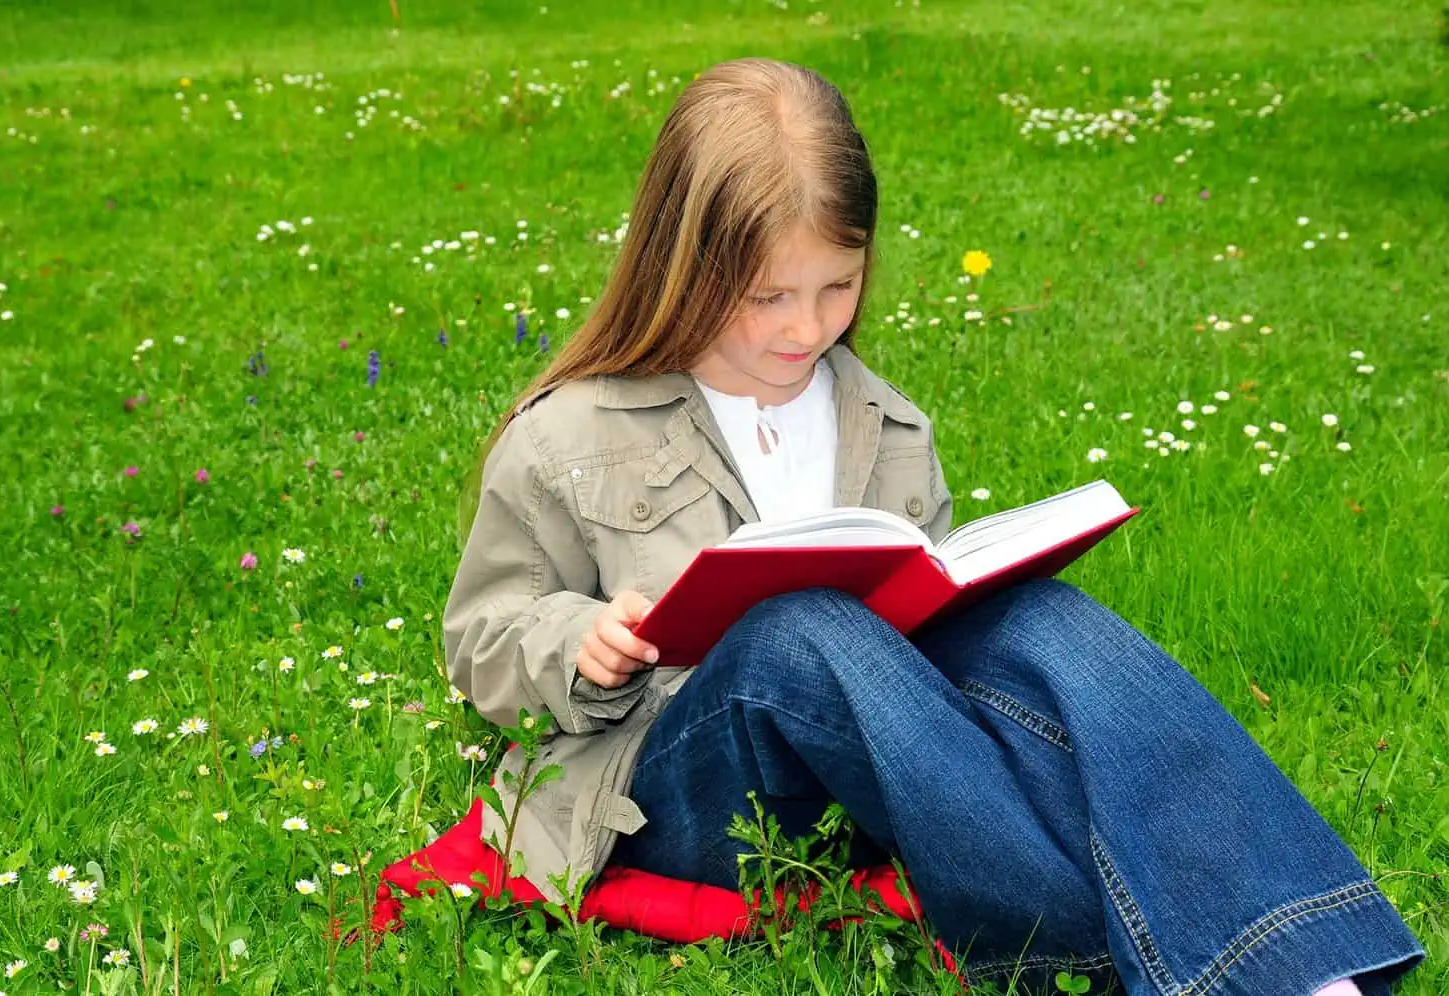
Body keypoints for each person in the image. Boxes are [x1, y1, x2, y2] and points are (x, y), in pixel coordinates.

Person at [442, 57, 1424, 994]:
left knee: (1036, 615)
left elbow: (926, 624)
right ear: (681, 267)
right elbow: (479, 639)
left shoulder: (889, 423)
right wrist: (583, 645)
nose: (805, 328)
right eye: (768, 297)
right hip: (668, 791)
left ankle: (1294, 960)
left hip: (876, 774)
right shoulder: (570, 433)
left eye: (838, 287)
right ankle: (1077, 952)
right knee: (799, 630)